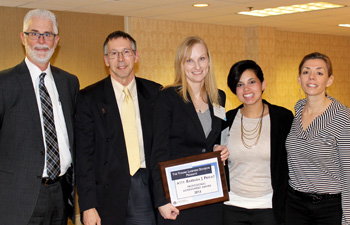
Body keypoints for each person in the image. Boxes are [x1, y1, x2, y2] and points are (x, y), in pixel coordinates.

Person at [0, 9, 79, 225]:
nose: (42, 41)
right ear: (23, 37)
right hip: (18, 198)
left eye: (48, 34)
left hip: (61, 194)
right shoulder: (4, 83)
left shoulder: (69, 82)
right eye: (34, 34)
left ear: (57, 40)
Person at [75, 30, 161, 225]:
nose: (121, 59)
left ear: (136, 56)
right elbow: (84, 157)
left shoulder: (155, 93)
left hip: (146, 189)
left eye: (126, 52)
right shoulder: (89, 98)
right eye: (114, 54)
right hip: (108, 195)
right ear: (106, 60)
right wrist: (88, 206)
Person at [151, 36, 229, 225]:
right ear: (181, 64)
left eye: (201, 59)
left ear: (209, 61)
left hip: (210, 194)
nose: (197, 66)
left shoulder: (218, 97)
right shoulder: (167, 98)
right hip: (178, 198)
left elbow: (217, 137)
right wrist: (161, 200)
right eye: (190, 60)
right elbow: (158, 152)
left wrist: (221, 148)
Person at [221, 60, 293, 225]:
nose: (246, 89)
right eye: (240, 84)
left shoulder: (283, 118)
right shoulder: (227, 119)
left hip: (269, 208)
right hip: (232, 206)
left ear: (263, 84)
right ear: (235, 90)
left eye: (252, 82)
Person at [286, 52, 350, 225]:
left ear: (329, 80)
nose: (312, 77)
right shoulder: (298, 110)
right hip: (295, 204)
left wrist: (348, 219)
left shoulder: (343, 117)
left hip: (329, 208)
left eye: (319, 72)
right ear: (299, 78)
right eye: (306, 72)